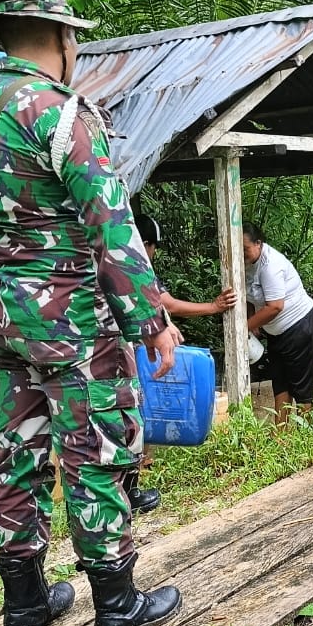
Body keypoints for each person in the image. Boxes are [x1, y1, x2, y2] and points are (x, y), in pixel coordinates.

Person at [0, 0, 181, 626]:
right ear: (62, 38)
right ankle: (117, 604)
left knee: (15, 451)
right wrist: (151, 321)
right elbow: (111, 225)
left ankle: (25, 605)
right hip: (73, 321)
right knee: (93, 449)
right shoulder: (64, 114)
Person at [125, 213, 237, 512]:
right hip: (124, 354)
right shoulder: (130, 263)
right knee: (130, 412)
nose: (154, 253)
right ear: (144, 244)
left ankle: (135, 476)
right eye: (154, 246)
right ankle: (128, 491)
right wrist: (213, 306)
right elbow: (168, 304)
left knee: (137, 410)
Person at [242, 222, 313, 422]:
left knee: (302, 388)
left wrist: (245, 327)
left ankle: (306, 433)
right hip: (276, 333)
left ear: (258, 243)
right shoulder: (244, 264)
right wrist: (253, 318)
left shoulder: (270, 265)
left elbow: (275, 306)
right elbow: (249, 295)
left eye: (245, 249)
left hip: (300, 326)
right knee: (280, 383)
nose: (241, 253)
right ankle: (281, 434)